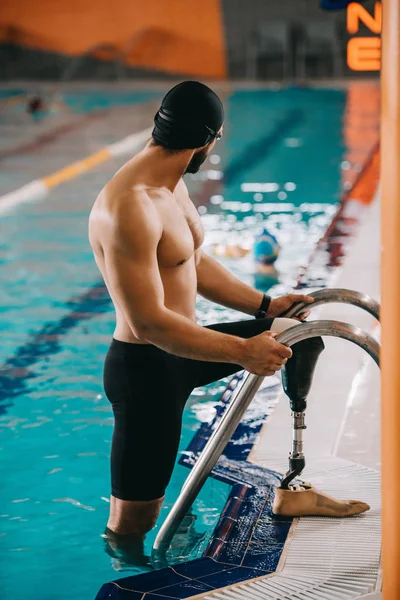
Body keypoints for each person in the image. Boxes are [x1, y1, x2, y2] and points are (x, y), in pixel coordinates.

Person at [89, 81, 369, 565]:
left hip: (187, 350)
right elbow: (149, 321)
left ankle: (292, 483)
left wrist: (267, 307)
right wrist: (243, 352)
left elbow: (192, 263)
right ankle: (128, 576)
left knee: (299, 337)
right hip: (147, 370)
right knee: (133, 523)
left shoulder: (169, 183)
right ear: (207, 140)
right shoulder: (127, 206)